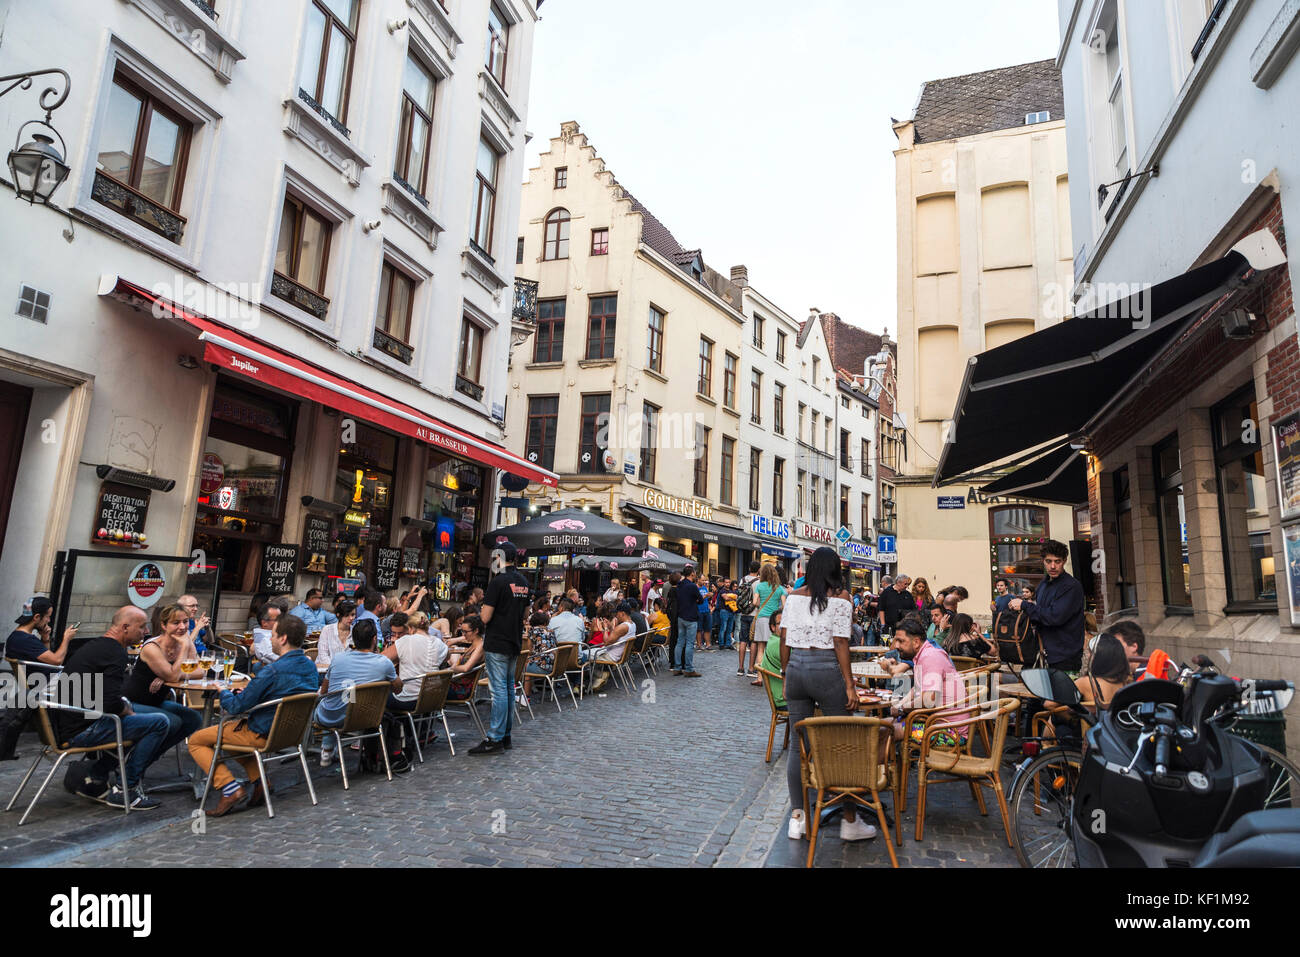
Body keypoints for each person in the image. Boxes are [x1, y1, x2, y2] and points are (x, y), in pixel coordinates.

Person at [780, 546, 874, 843]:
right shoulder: (841, 599)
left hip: (796, 668)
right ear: (836, 571)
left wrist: (786, 673)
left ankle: (798, 818)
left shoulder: (793, 597)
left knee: (798, 745)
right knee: (841, 742)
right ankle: (849, 818)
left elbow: (783, 639)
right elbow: (841, 644)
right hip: (826, 670)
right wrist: (849, 684)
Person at [187, 614, 319, 814]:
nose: (270, 640)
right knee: (230, 738)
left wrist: (223, 691)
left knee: (197, 740)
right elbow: (285, 694)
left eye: (273, 635)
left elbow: (236, 707)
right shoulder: (310, 666)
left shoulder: (273, 671)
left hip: (262, 733)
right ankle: (259, 781)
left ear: (283, 639)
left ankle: (229, 788)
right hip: (291, 733)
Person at [56, 606, 171, 810]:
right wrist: (126, 709)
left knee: (136, 722)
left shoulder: (96, 646)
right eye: (142, 627)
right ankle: (126, 789)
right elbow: (111, 703)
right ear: (125, 627)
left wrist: (124, 708)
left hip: (66, 724)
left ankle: (97, 776)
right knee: (159, 722)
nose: (145, 632)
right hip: (80, 730)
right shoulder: (115, 652)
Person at [122, 602, 205, 765]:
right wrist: (181, 653)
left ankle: (144, 759)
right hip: (132, 702)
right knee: (172, 721)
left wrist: (168, 674)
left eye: (186, 621)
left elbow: (201, 670)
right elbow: (176, 676)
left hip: (156, 702)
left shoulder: (184, 641)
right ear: (163, 625)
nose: (182, 627)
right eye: (176, 623)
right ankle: (133, 770)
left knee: (193, 718)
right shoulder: (153, 647)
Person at [314, 619, 402, 770]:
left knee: (332, 701)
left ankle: (327, 747)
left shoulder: (338, 659)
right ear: (375, 639)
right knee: (349, 700)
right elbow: (398, 688)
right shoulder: (383, 662)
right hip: (363, 717)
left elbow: (324, 691)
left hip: (330, 717)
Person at [470, 542, 530, 755]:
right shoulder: (524, 581)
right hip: (513, 640)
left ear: (500, 558)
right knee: (508, 688)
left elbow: (485, 617)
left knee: (499, 691)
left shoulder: (498, 582)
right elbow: (525, 615)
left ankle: (494, 737)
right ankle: (505, 735)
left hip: (497, 641)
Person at [887, 617, 964, 747]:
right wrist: (899, 705)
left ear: (916, 642)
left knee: (884, 731)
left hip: (949, 732)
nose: (896, 646)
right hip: (935, 722)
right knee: (880, 726)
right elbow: (916, 689)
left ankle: (875, 766)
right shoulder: (923, 655)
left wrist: (901, 709)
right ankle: (885, 766)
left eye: (900, 641)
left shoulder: (930, 657)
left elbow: (929, 700)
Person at [1009, 540, 1085, 671]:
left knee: (1061, 692)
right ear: (1043, 561)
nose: (1053, 566)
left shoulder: (1071, 586)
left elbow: (1054, 617)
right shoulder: (1044, 583)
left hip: (1064, 657)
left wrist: (1025, 606)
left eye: (1057, 561)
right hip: (1043, 654)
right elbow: (1039, 614)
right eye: (1049, 561)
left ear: (1065, 561)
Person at [382, 610, 448, 712]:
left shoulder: (406, 640)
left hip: (408, 699)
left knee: (380, 695)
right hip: (433, 698)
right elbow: (447, 657)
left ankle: (392, 726)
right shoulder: (438, 643)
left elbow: (381, 660)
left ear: (410, 628)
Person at [4, 596, 77, 666]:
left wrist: (45, 638)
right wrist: (66, 638)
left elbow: (48, 660)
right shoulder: (26, 640)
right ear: (37, 617)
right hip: (46, 678)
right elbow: (57, 660)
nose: (49, 620)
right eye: (48, 617)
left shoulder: (17, 636)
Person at [749, 563, 786, 678]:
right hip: (773, 621)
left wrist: (762, 605)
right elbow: (784, 606)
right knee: (773, 646)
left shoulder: (760, 586)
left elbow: (755, 602)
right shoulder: (779, 588)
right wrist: (776, 608)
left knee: (761, 648)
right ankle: (772, 673)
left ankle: (760, 677)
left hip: (761, 618)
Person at [447, 615, 486, 700]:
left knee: (429, 689)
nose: (463, 635)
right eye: (462, 631)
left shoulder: (480, 646)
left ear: (476, 631)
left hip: (463, 689)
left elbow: (466, 668)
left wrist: (451, 669)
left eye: (465, 632)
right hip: (458, 683)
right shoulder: (474, 644)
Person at [672, 567, 702, 678]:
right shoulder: (692, 586)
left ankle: (677, 667)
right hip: (691, 617)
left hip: (681, 616)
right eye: (694, 573)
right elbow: (700, 599)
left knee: (680, 642)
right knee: (689, 643)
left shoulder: (679, 585)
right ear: (692, 574)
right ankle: (689, 668)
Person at [523, 611, 558, 698]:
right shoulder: (551, 631)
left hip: (543, 668)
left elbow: (529, 650)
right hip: (555, 666)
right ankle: (532, 687)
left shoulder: (533, 631)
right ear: (546, 622)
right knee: (531, 661)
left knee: (525, 664)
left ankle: (525, 696)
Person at [735, 560, 761, 676]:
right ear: (759, 570)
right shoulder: (759, 582)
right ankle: (751, 669)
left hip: (743, 613)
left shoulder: (743, 579)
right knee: (753, 642)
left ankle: (740, 668)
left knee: (743, 641)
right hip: (754, 614)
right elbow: (758, 601)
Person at [317, 600, 356, 670]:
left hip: (348, 670)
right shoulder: (327, 630)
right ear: (338, 615)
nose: (351, 618)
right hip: (326, 670)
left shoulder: (356, 631)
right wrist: (335, 668)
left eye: (353, 615)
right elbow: (323, 655)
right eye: (347, 615)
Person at [756, 608, 785, 700]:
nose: (785, 626)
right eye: (781, 623)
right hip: (784, 698)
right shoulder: (779, 644)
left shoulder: (774, 640)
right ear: (773, 627)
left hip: (780, 695)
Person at [718, 579, 738, 650]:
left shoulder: (731, 591)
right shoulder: (722, 591)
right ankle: (721, 644)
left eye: (729, 582)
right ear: (723, 583)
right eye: (726, 582)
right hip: (724, 611)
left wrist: (730, 596)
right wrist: (731, 597)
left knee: (729, 629)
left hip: (731, 611)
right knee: (723, 628)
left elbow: (736, 597)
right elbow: (726, 598)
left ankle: (728, 644)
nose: (728, 584)